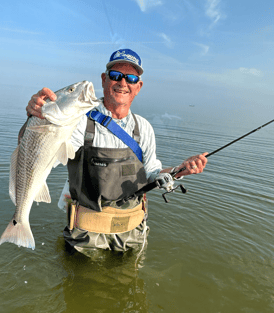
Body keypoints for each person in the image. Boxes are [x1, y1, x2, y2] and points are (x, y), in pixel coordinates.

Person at [23, 48, 208, 255]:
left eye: (130, 78)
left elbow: (152, 173)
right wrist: (37, 118)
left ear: (138, 86)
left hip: (133, 234)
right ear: (104, 79)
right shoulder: (78, 121)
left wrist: (180, 169)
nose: (122, 83)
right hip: (85, 237)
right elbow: (39, 152)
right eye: (115, 75)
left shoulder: (144, 127)